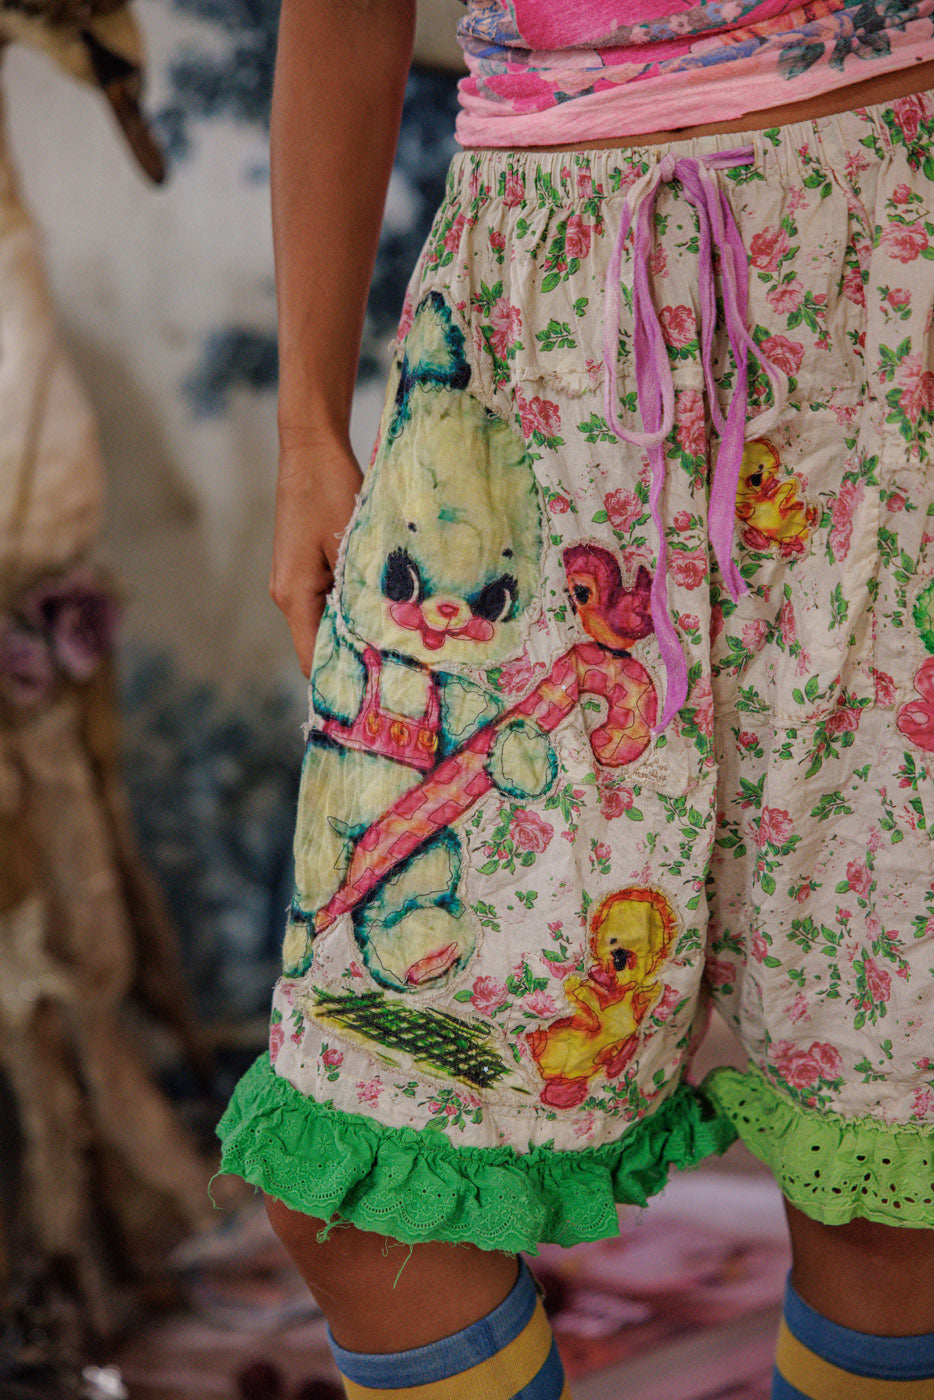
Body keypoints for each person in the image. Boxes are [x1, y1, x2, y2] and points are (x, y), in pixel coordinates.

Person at [217, 3, 934, 1397]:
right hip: (535, 345)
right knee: (366, 1199)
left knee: (896, 1186)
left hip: (886, 288)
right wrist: (306, 429)